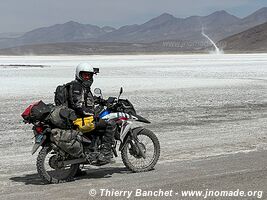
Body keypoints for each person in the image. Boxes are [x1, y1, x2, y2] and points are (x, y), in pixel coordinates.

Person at [68, 63, 116, 165]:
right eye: (84, 75)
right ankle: (105, 154)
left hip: (78, 118)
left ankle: (78, 166)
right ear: (79, 74)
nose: (87, 77)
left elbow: (86, 100)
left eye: (89, 75)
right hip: (79, 119)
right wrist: (93, 114)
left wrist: (102, 101)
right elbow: (79, 107)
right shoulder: (78, 87)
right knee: (110, 124)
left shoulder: (80, 86)